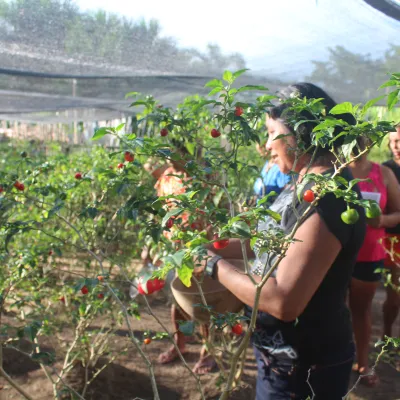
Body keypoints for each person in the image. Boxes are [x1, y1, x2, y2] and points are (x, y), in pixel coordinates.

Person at [195, 83, 366, 399]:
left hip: (305, 367)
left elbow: (283, 301)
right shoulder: (300, 184)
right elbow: (271, 243)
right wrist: (209, 246)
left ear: (297, 133)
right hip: (281, 357)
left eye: (271, 132)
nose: (266, 144)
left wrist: (212, 265)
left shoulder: (327, 198)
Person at [145, 141, 216, 374]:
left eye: (170, 151)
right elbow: (160, 213)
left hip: (198, 246)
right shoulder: (165, 178)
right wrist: (151, 244)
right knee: (177, 299)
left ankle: (208, 351)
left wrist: (211, 246)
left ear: (183, 151)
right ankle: (180, 344)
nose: (166, 156)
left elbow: (213, 212)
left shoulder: (199, 178)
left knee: (201, 300)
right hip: (174, 248)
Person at [348, 137, 400, 386]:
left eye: (361, 140)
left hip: (369, 253)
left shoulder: (384, 174)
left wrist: (382, 221)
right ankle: (330, 360)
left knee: (361, 309)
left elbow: (398, 212)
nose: (357, 146)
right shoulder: (335, 172)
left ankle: (363, 363)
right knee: (332, 310)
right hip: (335, 252)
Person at [382, 124, 400, 340]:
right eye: (392, 141)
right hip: (392, 239)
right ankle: (386, 336)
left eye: (399, 141)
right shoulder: (385, 170)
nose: (395, 146)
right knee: (393, 295)